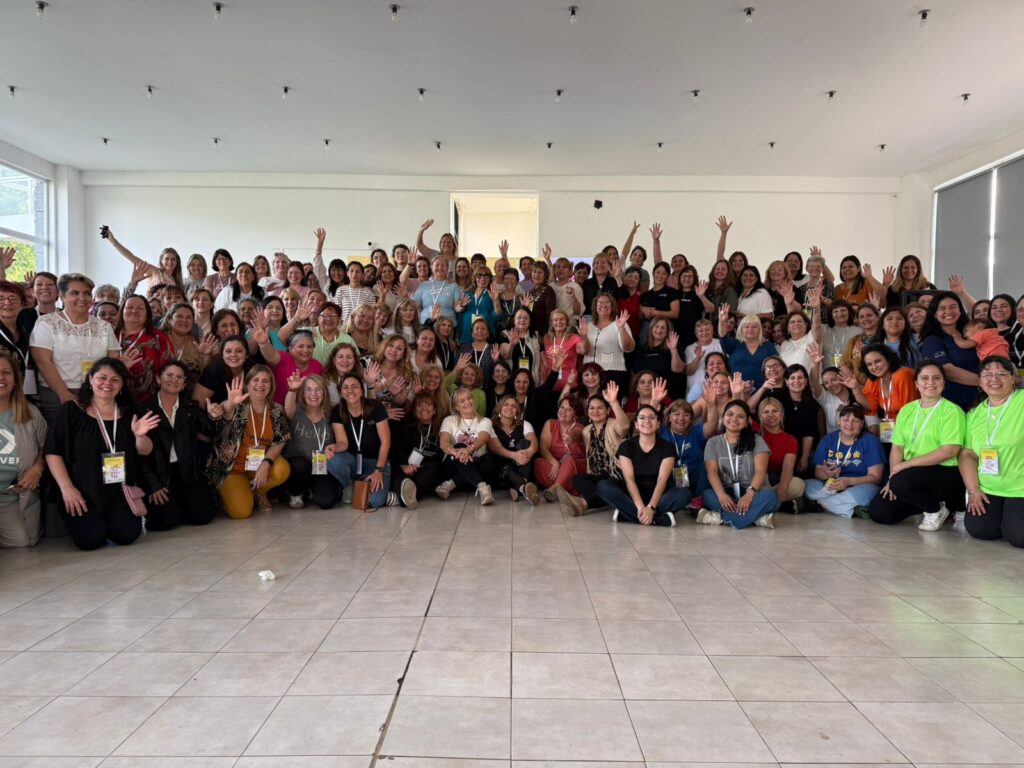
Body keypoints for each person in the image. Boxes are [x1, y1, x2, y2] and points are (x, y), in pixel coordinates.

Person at [44, 358, 161, 550]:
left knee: (126, 534)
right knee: (90, 540)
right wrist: (67, 488)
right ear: (90, 379)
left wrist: (140, 436)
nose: (108, 383)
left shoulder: (130, 413)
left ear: (122, 385)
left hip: (119, 492)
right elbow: (52, 452)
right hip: (81, 491)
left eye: (115, 380)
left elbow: (145, 451)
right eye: (102, 377)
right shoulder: (71, 410)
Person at [867, 361, 966, 531]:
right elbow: (897, 448)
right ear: (916, 384)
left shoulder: (952, 411)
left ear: (944, 383)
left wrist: (905, 467)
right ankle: (925, 502)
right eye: (925, 378)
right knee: (880, 512)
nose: (930, 382)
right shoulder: (907, 410)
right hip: (911, 475)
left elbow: (949, 451)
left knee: (901, 482)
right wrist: (892, 478)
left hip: (944, 472)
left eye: (936, 378)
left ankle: (936, 510)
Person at [137, 360, 217, 530]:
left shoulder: (190, 408)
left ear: (184, 384)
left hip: (188, 472)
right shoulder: (144, 410)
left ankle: (181, 504)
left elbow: (210, 431)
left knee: (202, 516)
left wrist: (212, 416)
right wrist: (153, 485)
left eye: (179, 377)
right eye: (169, 375)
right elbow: (138, 456)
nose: (174, 380)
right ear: (158, 379)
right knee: (164, 522)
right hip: (160, 475)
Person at [30, 273, 120, 421]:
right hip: (56, 394)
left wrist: (100, 391)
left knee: (91, 434)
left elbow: (112, 359)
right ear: (62, 296)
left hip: (96, 392)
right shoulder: (47, 323)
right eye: (75, 293)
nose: (82, 298)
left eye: (87, 293)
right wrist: (64, 394)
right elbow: (43, 362)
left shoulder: (103, 326)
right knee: (61, 434)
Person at [207, 366, 291, 518]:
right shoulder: (237, 405)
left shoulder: (276, 410)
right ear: (247, 384)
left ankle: (260, 491)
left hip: (258, 465)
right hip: (232, 469)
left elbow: (280, 441)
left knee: (281, 469)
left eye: (265, 381)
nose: (260, 384)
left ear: (271, 385)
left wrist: (266, 464)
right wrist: (225, 405)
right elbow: (225, 410)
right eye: (256, 380)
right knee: (241, 513)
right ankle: (234, 493)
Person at [959, 356, 1024, 547]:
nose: (994, 379)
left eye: (1001, 374)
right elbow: (968, 454)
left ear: (1012, 378)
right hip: (990, 486)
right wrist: (974, 490)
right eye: (987, 374)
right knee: (980, 529)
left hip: (1020, 487)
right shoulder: (975, 413)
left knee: (1019, 537)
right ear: (980, 381)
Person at [697, 399, 780, 528]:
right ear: (723, 417)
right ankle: (755, 518)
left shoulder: (757, 440)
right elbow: (712, 472)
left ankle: (724, 518)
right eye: (730, 414)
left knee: (771, 497)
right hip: (728, 493)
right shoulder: (713, 442)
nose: (734, 419)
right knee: (708, 495)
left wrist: (749, 495)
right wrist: (721, 495)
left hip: (754, 492)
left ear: (746, 422)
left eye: (740, 416)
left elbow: (760, 471)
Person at [593, 405, 681, 526]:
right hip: (632, 495)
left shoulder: (668, 447)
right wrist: (641, 507)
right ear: (636, 425)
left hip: (659, 496)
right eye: (642, 418)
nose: (647, 421)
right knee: (603, 486)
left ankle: (628, 515)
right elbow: (629, 479)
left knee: (684, 492)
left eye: (652, 418)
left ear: (658, 424)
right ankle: (657, 519)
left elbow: (662, 480)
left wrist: (651, 507)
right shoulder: (626, 447)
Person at [558, 382, 630, 516]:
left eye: (600, 408)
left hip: (618, 476)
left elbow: (625, 426)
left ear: (607, 410)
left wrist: (614, 402)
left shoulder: (613, 425)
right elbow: (577, 434)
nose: (595, 411)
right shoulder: (587, 430)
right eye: (591, 408)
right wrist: (570, 438)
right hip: (599, 476)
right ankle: (610, 497)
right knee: (576, 479)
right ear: (587, 411)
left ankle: (584, 503)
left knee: (606, 486)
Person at [328, 373, 398, 510]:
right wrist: (333, 447)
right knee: (331, 459)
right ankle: (349, 485)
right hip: (354, 461)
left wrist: (378, 470)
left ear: (362, 390)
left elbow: (386, 441)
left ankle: (388, 495)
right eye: (345, 387)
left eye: (354, 387)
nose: (350, 391)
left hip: (376, 462)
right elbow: (343, 443)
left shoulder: (375, 407)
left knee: (375, 502)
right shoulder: (337, 411)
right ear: (341, 392)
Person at [0, 350, 47, 547]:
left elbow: (49, 450)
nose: (1, 378)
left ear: (15, 380)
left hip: (12, 498)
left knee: (22, 542)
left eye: (6, 372)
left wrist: (37, 469)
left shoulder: (31, 413)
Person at [805, 404, 885, 518]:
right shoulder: (827, 440)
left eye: (855, 421)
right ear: (839, 421)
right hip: (832, 486)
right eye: (846, 420)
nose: (849, 424)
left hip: (859, 486)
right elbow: (818, 472)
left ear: (862, 423)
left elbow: (875, 477)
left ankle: (819, 504)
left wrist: (849, 481)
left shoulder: (871, 441)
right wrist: (825, 473)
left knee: (871, 491)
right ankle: (846, 507)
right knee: (807, 485)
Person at [282, 372, 347, 509]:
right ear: (302, 393)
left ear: (324, 392)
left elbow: (342, 442)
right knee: (299, 465)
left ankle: (311, 490)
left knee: (326, 501)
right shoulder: (296, 410)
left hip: (322, 465)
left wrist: (334, 447)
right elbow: (287, 408)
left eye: (318, 390)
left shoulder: (332, 412)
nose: (314, 394)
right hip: (300, 466)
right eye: (309, 389)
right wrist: (293, 389)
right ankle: (297, 493)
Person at [920, 292, 980, 410]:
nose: (948, 311)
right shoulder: (932, 340)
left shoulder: (971, 336)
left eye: (953, 307)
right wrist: (986, 382)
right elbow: (947, 371)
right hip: (954, 405)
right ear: (934, 314)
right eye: (942, 308)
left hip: (983, 401)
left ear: (960, 310)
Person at [848, 344, 918, 443]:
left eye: (877, 361)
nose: (874, 367)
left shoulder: (902, 375)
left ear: (888, 360)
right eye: (869, 364)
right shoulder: (875, 379)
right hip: (892, 429)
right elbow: (870, 406)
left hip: (913, 428)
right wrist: (855, 388)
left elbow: (909, 412)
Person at [435, 387, 494, 504]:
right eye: (462, 401)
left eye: (469, 398)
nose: (467, 402)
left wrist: (468, 450)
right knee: (459, 445)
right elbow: (444, 443)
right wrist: (456, 452)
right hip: (454, 465)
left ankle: (450, 484)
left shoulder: (485, 421)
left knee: (489, 458)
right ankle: (483, 488)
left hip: (476, 466)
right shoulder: (449, 420)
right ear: (456, 407)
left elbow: (483, 438)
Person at [116, 294, 175, 403]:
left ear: (147, 314)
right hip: (111, 397)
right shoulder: (110, 334)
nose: (134, 311)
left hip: (150, 401)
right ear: (122, 311)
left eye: (140, 308)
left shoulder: (159, 337)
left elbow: (169, 370)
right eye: (129, 307)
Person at [657, 397, 714, 510]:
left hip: (696, 480)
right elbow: (649, 418)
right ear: (669, 417)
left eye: (686, 415)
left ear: (691, 419)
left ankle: (698, 500)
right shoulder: (661, 431)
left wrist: (711, 404)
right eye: (676, 414)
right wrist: (654, 401)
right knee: (683, 493)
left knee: (709, 464)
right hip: (671, 481)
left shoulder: (696, 431)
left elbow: (712, 425)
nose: (681, 418)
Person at [391, 391, 445, 508]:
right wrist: (404, 466)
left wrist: (422, 466)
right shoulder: (406, 425)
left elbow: (439, 456)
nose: (424, 408)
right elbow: (397, 448)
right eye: (419, 405)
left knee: (434, 467)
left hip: (424, 471)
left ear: (434, 410)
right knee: (398, 475)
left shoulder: (441, 429)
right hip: (405, 468)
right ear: (414, 410)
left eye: (428, 404)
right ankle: (408, 495)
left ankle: (404, 497)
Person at [486, 395, 541, 503]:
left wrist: (528, 452)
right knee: (505, 468)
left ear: (517, 411)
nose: (509, 408)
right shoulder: (490, 425)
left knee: (525, 443)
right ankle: (524, 487)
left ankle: (519, 487)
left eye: (513, 406)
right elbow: (496, 448)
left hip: (521, 466)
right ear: (499, 408)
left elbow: (533, 441)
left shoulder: (524, 424)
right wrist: (514, 455)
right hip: (500, 468)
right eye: (506, 404)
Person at [252, 324, 324, 405]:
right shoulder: (283, 358)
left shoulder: (317, 366)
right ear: (290, 349)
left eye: (309, 347)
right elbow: (270, 355)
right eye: (300, 346)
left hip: (305, 409)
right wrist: (264, 343)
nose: (305, 350)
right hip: (277, 408)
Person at [100, 227, 186, 294]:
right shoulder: (156, 272)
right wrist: (114, 241)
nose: (170, 262)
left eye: (173, 259)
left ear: (177, 262)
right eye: (167, 259)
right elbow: (131, 257)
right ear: (161, 261)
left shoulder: (177, 281)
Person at [533, 395, 586, 501]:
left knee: (569, 462)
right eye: (562, 407)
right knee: (538, 462)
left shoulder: (580, 428)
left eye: (569, 409)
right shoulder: (550, 424)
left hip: (575, 468)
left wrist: (571, 437)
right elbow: (543, 448)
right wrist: (554, 463)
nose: (563, 411)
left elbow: (577, 434)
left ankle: (555, 488)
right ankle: (564, 490)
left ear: (575, 416)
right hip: (556, 466)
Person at [756, 397, 805, 510]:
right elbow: (739, 409)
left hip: (775, 483)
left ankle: (767, 503)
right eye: (766, 412)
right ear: (760, 416)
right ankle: (779, 505)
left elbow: (788, 467)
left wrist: (783, 489)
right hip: (757, 481)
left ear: (782, 414)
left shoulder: (790, 440)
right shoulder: (754, 432)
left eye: (775, 411)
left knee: (798, 485)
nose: (770, 415)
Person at [579, 293, 635, 391]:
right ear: (595, 306)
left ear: (612, 306)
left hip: (613, 373)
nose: (603, 305)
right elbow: (584, 351)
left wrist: (621, 328)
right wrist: (583, 336)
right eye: (600, 302)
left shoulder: (620, 323)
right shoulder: (588, 325)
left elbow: (628, 348)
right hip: (589, 374)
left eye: (607, 303)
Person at [717, 306, 777, 389]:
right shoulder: (734, 344)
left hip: (763, 389)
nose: (750, 329)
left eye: (754, 327)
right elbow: (722, 337)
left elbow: (775, 366)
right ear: (741, 329)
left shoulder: (768, 346)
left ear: (759, 329)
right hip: (737, 390)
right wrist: (722, 322)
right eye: (747, 327)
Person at [0, 280, 35, 393]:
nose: (7, 302)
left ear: (22, 305)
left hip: (21, 393)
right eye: (1, 298)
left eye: (13, 298)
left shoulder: (27, 334)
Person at [413, 257, 462, 325]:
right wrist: (405, 296)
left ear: (447, 268)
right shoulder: (423, 285)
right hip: (426, 324)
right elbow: (415, 305)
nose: (440, 267)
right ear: (431, 267)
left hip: (447, 325)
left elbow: (457, 308)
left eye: (443, 265)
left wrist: (461, 306)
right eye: (437, 265)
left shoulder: (454, 286)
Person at [333, 261, 376, 326]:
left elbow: (372, 314)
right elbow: (336, 312)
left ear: (362, 274)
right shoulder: (341, 290)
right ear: (347, 273)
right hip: (345, 328)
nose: (354, 274)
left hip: (363, 327)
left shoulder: (369, 293)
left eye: (357, 271)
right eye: (352, 271)